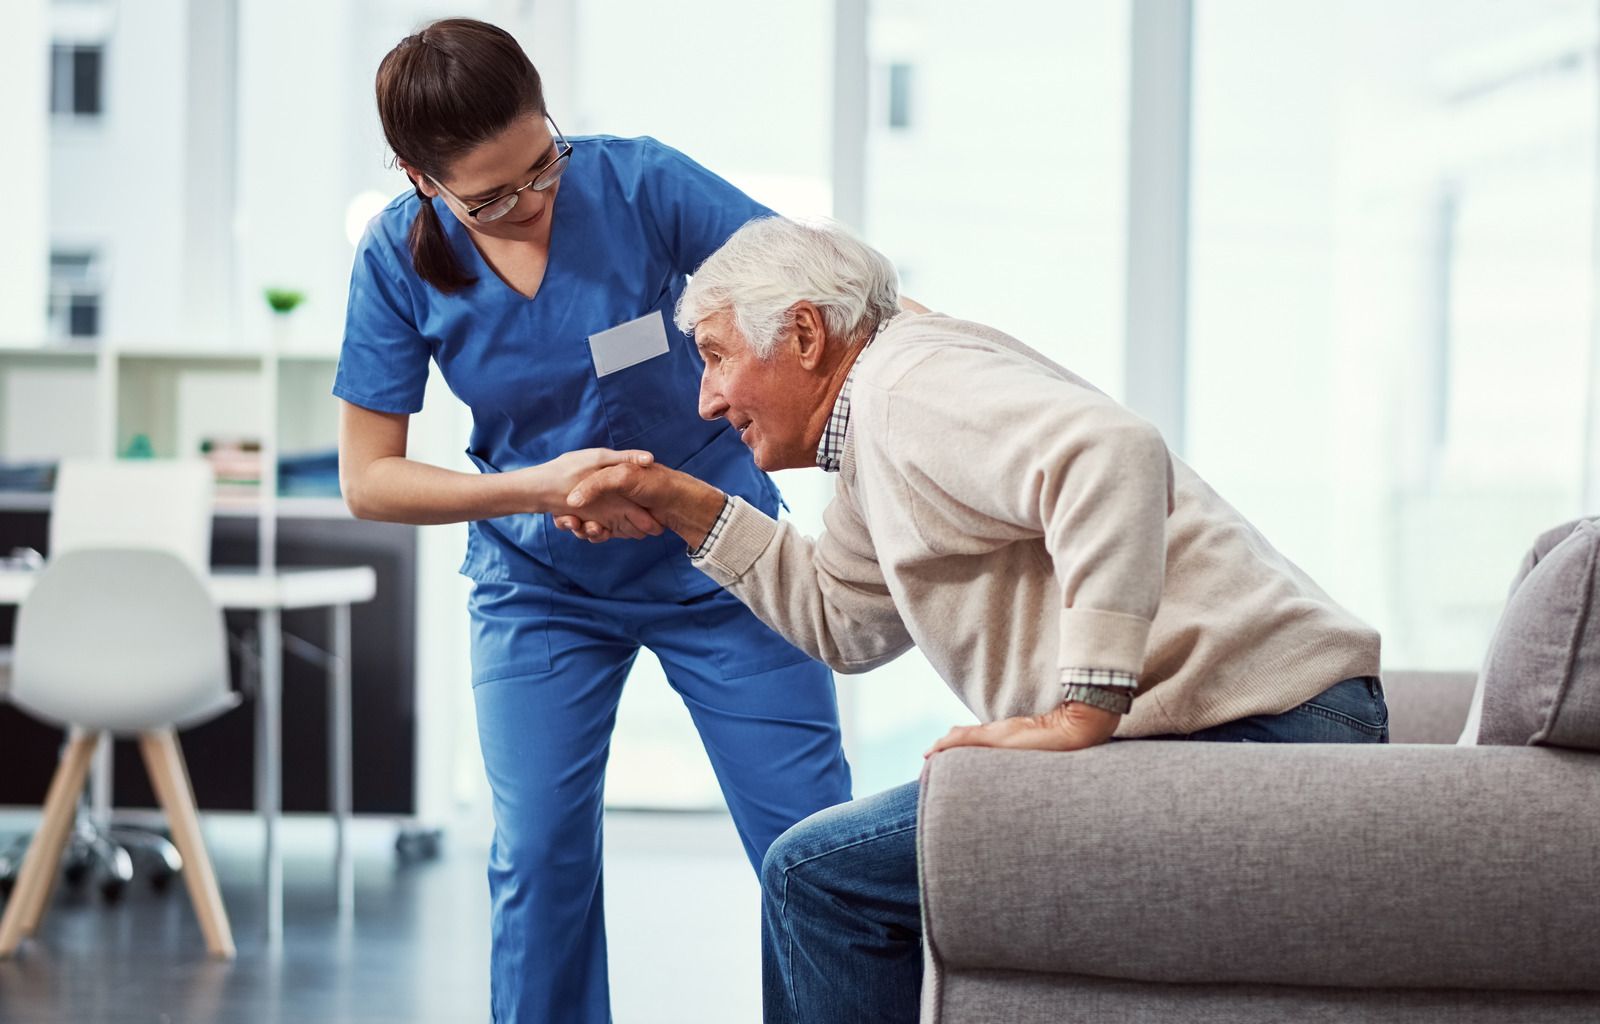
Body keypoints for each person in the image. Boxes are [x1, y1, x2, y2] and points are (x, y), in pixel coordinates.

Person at [563, 216, 1388, 1024]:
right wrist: (685, 503)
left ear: (806, 336)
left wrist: (1083, 710)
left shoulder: (908, 386)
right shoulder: (868, 440)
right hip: (1242, 727)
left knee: (817, 877)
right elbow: (842, 624)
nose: (706, 400)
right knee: (819, 870)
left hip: (1262, 734)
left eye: (715, 357)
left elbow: (1109, 451)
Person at [333, 20, 853, 1024]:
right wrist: (542, 488)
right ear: (419, 178)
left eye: (542, 165)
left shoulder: (637, 185)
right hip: (540, 587)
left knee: (815, 844)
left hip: (722, 563)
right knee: (536, 858)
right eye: (490, 197)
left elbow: (822, 292)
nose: (531, 205)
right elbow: (371, 482)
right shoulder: (397, 260)